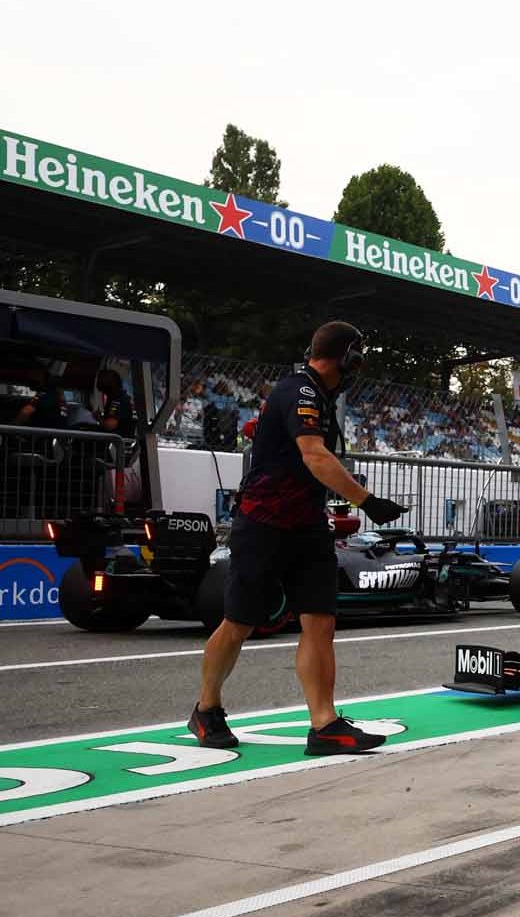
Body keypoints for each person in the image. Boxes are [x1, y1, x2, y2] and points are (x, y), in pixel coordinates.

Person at [188, 321, 408, 755]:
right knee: (239, 622)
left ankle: (324, 724)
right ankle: (206, 709)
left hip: (307, 524)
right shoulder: (300, 392)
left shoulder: (318, 397)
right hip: (264, 522)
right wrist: (367, 501)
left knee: (320, 621)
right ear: (349, 359)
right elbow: (314, 455)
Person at [96, 369, 136, 438]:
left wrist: (99, 419)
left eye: (105, 391)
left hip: (117, 442)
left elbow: (110, 425)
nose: (104, 394)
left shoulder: (118, 402)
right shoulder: (119, 399)